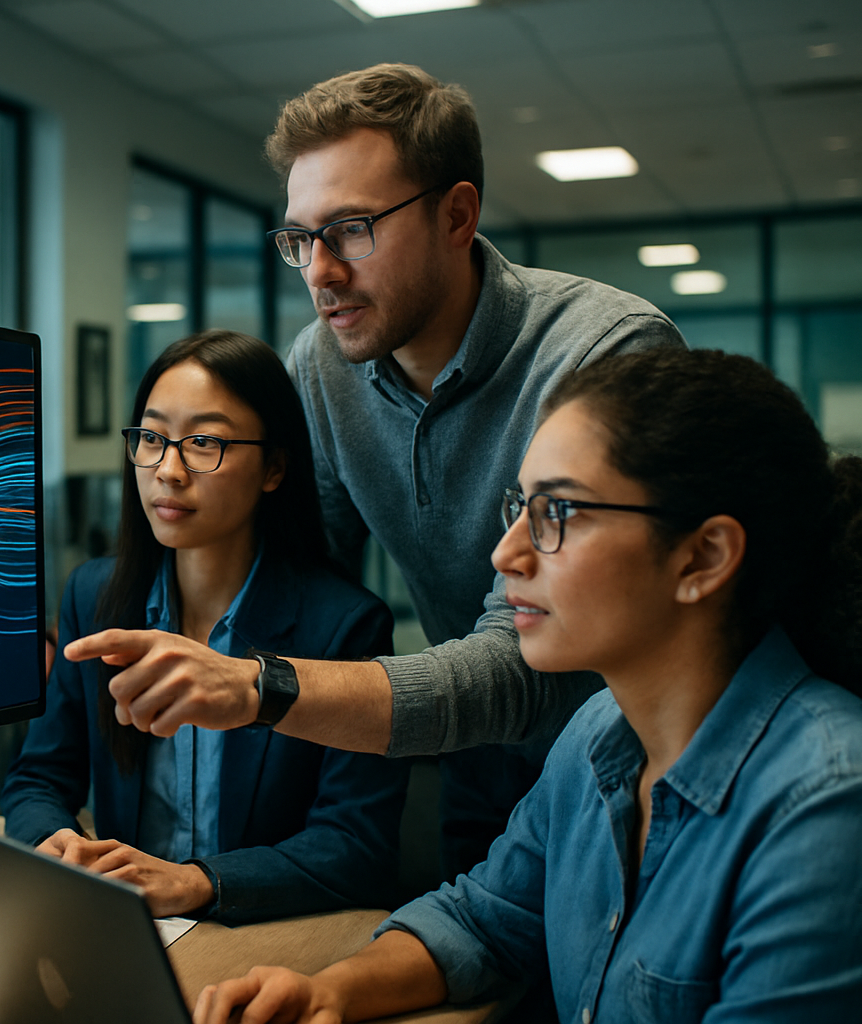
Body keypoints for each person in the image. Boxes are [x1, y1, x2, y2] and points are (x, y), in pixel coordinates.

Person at [66, 63, 686, 878]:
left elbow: (532, 665)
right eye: (300, 238)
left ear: (456, 214)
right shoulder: (323, 366)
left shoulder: (601, 356)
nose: (320, 271)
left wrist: (262, 688)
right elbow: (296, 580)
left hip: (638, 772)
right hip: (477, 767)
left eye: (352, 229)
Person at [192, 347, 862, 1024]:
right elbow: (481, 919)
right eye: (520, 505)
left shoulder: (825, 805)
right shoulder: (599, 733)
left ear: (703, 556)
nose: (505, 553)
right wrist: (330, 991)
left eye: (558, 513)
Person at [1, 330, 409, 923]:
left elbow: (355, 847)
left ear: (273, 467)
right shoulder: (96, 596)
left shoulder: (344, 626)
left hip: (262, 940)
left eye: (204, 443)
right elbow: (39, 775)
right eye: (151, 438)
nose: (168, 470)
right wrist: (53, 844)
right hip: (130, 931)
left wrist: (200, 883)